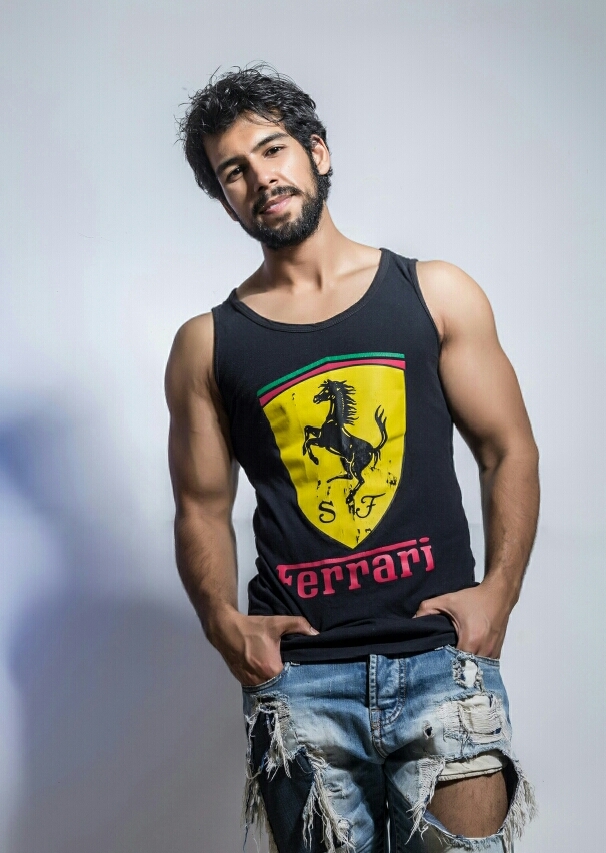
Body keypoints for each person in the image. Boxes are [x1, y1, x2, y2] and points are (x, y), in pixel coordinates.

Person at [166, 64, 539, 853]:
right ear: (225, 198)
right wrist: (224, 625)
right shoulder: (207, 344)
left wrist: (500, 591)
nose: (261, 177)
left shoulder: (434, 293)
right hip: (301, 685)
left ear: (318, 151)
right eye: (235, 171)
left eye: (273, 150)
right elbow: (200, 506)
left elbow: (507, 447)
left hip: (441, 664)